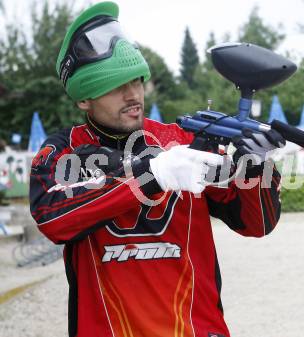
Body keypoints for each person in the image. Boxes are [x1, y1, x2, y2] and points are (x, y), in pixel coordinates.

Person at [29, 2, 285, 337]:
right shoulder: (64, 149)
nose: (132, 93)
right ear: (83, 99)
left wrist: (255, 165)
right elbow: (51, 217)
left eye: (136, 81)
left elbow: (257, 223)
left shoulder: (184, 141)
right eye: (115, 84)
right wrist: (153, 174)